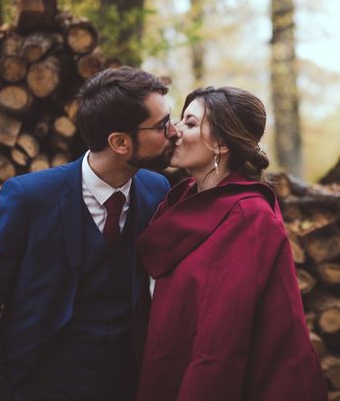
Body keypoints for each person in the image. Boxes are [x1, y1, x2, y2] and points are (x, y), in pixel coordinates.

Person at [0, 67, 178, 401]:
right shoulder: (29, 197)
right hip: (34, 387)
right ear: (119, 142)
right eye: (162, 125)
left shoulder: (157, 189)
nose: (174, 132)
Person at [134, 86, 328, 401]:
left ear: (222, 143)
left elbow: (222, 343)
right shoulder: (177, 201)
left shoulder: (249, 218)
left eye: (191, 123)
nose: (175, 132)